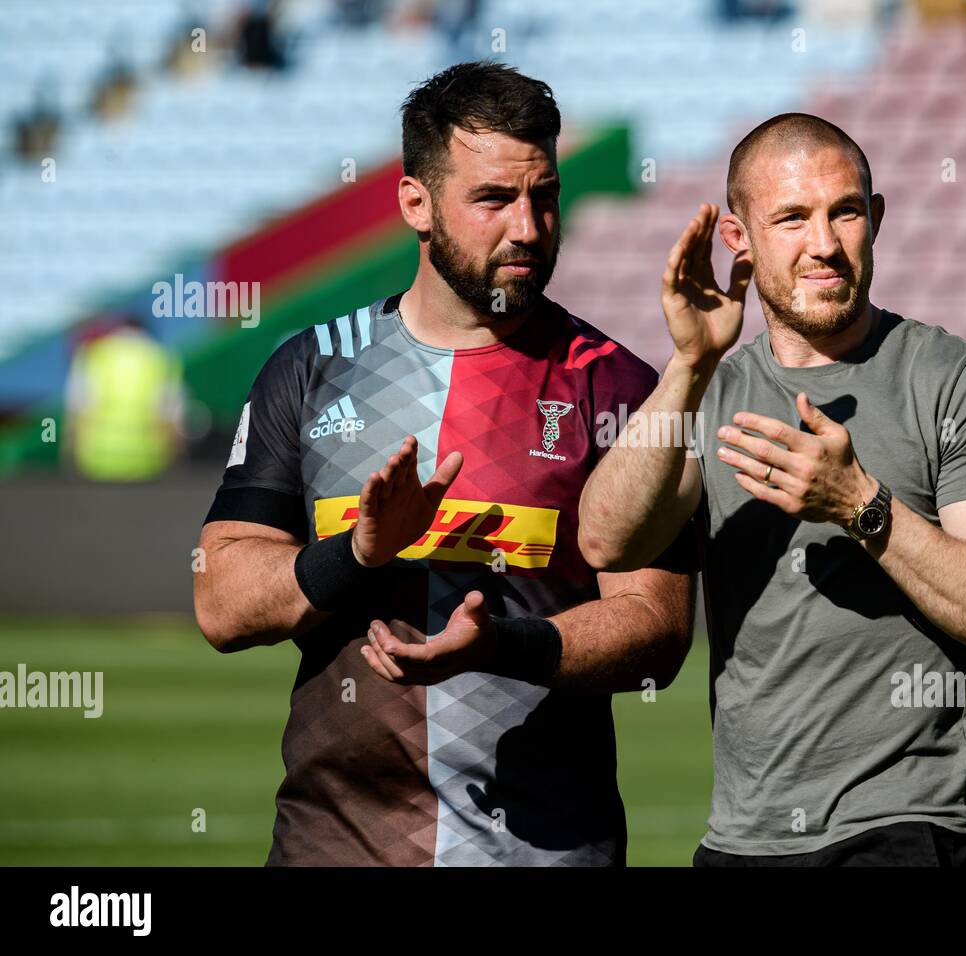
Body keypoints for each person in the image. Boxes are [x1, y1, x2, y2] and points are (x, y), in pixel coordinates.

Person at [193, 61, 693, 866]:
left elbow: (658, 630)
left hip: (548, 851)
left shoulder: (622, 387)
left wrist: (502, 644)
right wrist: (357, 555)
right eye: (494, 199)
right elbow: (222, 602)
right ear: (414, 204)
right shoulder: (312, 367)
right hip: (334, 849)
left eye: (545, 196)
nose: (527, 228)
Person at [578, 112, 966, 866]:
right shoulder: (710, 388)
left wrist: (862, 508)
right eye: (792, 218)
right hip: (743, 840)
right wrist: (686, 366)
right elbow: (608, 539)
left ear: (877, 218)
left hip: (912, 828)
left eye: (845, 212)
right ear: (737, 239)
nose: (825, 244)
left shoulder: (956, 380)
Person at [65, 317, 184, 482]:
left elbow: (77, 413)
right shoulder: (161, 358)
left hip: (97, 458)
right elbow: (172, 421)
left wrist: (69, 459)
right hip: (148, 459)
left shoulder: (93, 355)